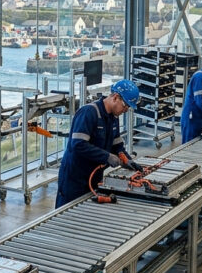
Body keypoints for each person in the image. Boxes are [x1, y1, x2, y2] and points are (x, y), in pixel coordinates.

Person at [55, 79, 140, 208]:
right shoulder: (89, 112)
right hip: (74, 178)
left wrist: (127, 160)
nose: (126, 110)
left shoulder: (113, 118)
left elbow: (116, 145)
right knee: (66, 215)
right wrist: (107, 157)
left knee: (87, 214)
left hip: (94, 177)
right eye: (126, 105)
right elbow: (78, 145)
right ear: (115, 97)